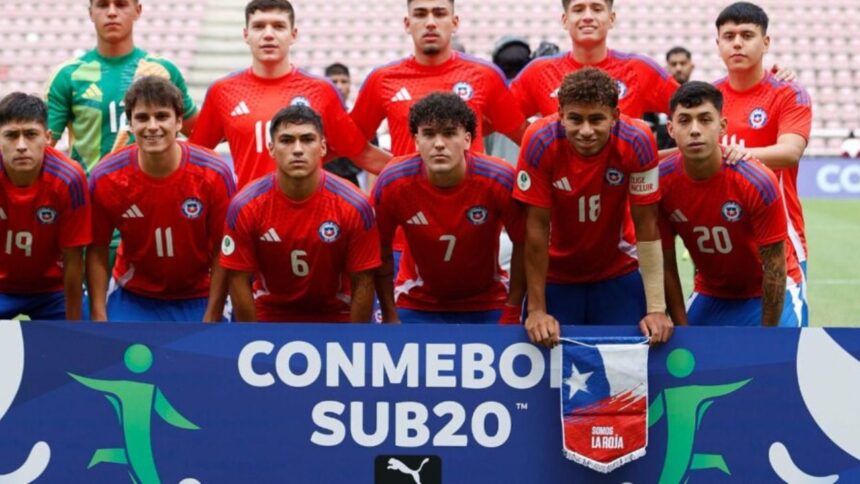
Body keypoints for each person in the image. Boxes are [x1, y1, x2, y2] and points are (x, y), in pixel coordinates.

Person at [514, 68, 672, 348]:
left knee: (628, 365)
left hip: (617, 269)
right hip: (555, 273)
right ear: (560, 113)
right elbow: (536, 227)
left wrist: (657, 308)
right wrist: (537, 310)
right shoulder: (539, 140)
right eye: (575, 119)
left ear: (615, 115)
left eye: (597, 119)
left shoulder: (638, 139)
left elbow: (647, 224)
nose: (586, 131)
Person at [190, 0, 389, 188]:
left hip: (310, 217)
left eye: (278, 26)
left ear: (293, 34)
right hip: (250, 217)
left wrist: (414, 171)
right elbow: (195, 158)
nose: (268, 34)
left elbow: (361, 152)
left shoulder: (322, 91)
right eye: (259, 26)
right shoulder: (222, 92)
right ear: (246, 35)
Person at [88, 77, 235, 322]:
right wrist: (99, 317)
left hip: (200, 295)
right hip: (133, 295)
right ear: (130, 124)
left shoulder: (213, 172)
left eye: (162, 116)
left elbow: (224, 249)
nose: (152, 126)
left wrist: (212, 314)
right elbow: (97, 249)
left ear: (179, 121)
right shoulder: (107, 177)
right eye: (143, 118)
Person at [659, 81, 804, 326]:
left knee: (773, 360)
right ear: (671, 129)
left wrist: (764, 338)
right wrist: (683, 329)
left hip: (769, 291)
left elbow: (775, 268)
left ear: (722, 126)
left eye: (705, 119)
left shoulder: (756, 181)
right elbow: (665, 262)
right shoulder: (662, 182)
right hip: (711, 292)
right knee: (692, 360)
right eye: (685, 121)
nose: (695, 130)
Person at [373, 93, 525, 324]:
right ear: (416, 139)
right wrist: (390, 315)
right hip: (416, 300)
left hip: (488, 301)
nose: (439, 144)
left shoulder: (498, 178)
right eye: (429, 134)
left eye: (449, 133)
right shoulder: (393, 182)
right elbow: (378, 249)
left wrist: (513, 308)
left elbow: (525, 243)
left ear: (467, 139)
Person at [220, 105, 380, 323]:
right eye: (286, 140)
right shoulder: (245, 205)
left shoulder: (354, 205)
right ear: (271, 148)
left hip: (337, 316)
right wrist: (252, 336)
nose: (297, 149)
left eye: (307, 139)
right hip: (269, 316)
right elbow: (238, 278)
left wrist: (355, 341)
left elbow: (363, 280)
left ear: (323, 147)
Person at [713, 1, 812, 323]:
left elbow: (790, 152)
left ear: (765, 42)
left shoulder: (787, 94)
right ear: (718, 44)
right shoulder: (708, 99)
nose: (737, 42)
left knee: (784, 355)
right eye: (728, 36)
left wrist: (737, 156)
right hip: (723, 247)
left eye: (747, 34)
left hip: (782, 244)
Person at [350, 0, 528, 157]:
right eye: (420, 14)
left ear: (454, 22)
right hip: (410, 194)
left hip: (471, 194)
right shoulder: (382, 79)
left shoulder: (485, 75)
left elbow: (524, 137)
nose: (430, 23)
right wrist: (391, 168)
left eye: (439, 13)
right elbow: (350, 142)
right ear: (407, 24)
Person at [46, 0, 198, 173]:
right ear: (90, 12)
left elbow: (201, 134)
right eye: (103, 5)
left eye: (121, 4)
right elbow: (42, 146)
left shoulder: (163, 71)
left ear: (138, 10)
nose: (111, 12)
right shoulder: (67, 76)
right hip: (91, 196)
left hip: (151, 195)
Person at [510, 0, 679, 121]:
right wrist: (534, 148)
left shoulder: (640, 70)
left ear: (611, 19)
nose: (588, 16)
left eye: (597, 9)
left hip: (622, 171)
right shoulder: (540, 72)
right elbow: (498, 118)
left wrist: (657, 161)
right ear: (565, 20)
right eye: (578, 9)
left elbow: (696, 109)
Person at [0, 93, 91, 320]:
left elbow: (73, 258)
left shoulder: (69, 178)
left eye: (31, 135)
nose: (21, 146)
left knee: (85, 345)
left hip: (54, 291)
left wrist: (74, 326)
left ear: (48, 138)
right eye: (11, 136)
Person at [322, 62, 364, 188]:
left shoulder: (360, 118)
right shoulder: (315, 119)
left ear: (350, 85)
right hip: (323, 182)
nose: (339, 86)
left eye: (344, 81)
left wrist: (370, 196)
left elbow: (372, 153)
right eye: (334, 81)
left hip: (352, 184)